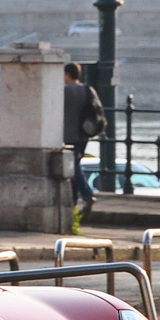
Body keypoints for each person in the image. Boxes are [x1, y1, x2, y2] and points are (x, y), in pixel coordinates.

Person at [63, 62, 101, 215]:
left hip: (68, 134)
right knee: (75, 165)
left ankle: (86, 194)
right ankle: (73, 200)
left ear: (67, 74)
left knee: (73, 167)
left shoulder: (64, 91)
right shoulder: (87, 89)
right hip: (84, 133)